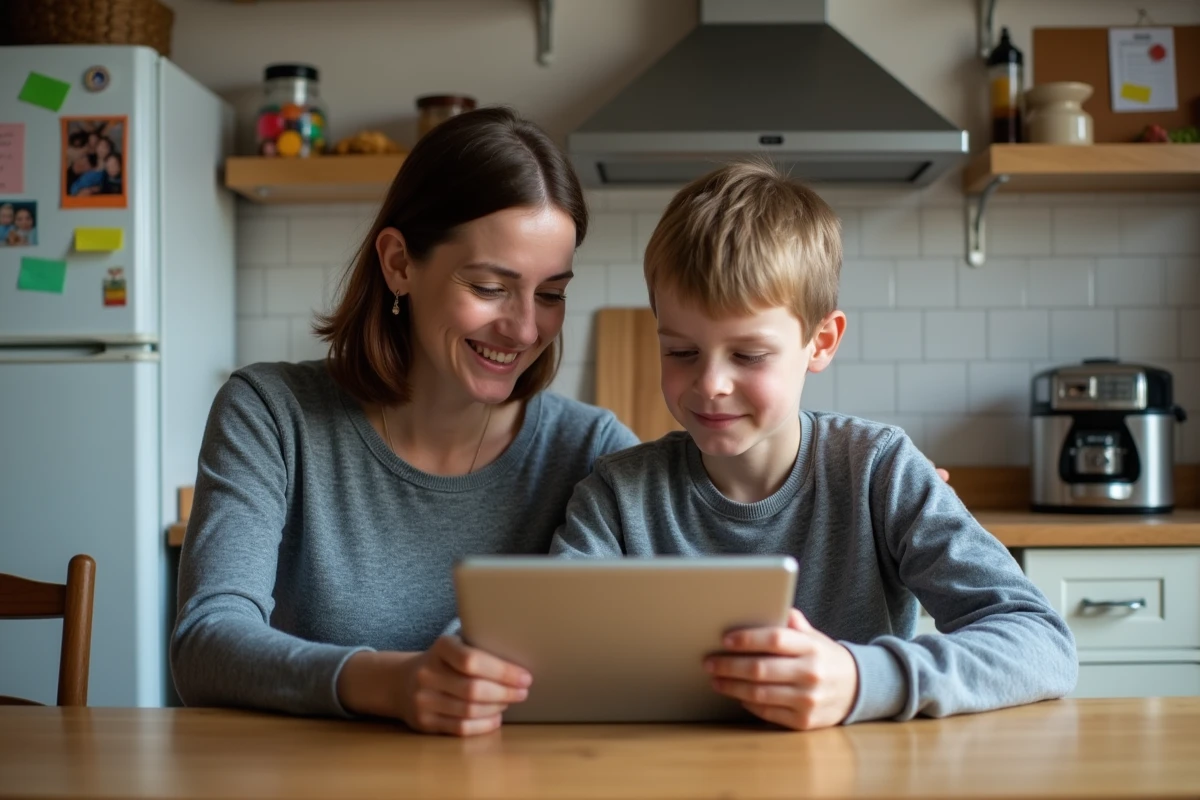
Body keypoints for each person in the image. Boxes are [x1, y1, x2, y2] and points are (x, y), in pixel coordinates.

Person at [549, 162, 1078, 730]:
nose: (710, 384)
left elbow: (1041, 642)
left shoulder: (878, 470)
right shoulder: (617, 493)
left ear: (820, 341)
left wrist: (860, 679)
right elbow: (544, 642)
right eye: (680, 352)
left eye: (748, 355)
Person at [171, 107, 639, 736]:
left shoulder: (591, 449)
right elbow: (205, 644)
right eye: (490, 287)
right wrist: (393, 683)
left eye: (551, 293)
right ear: (398, 264)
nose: (526, 328)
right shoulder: (271, 414)